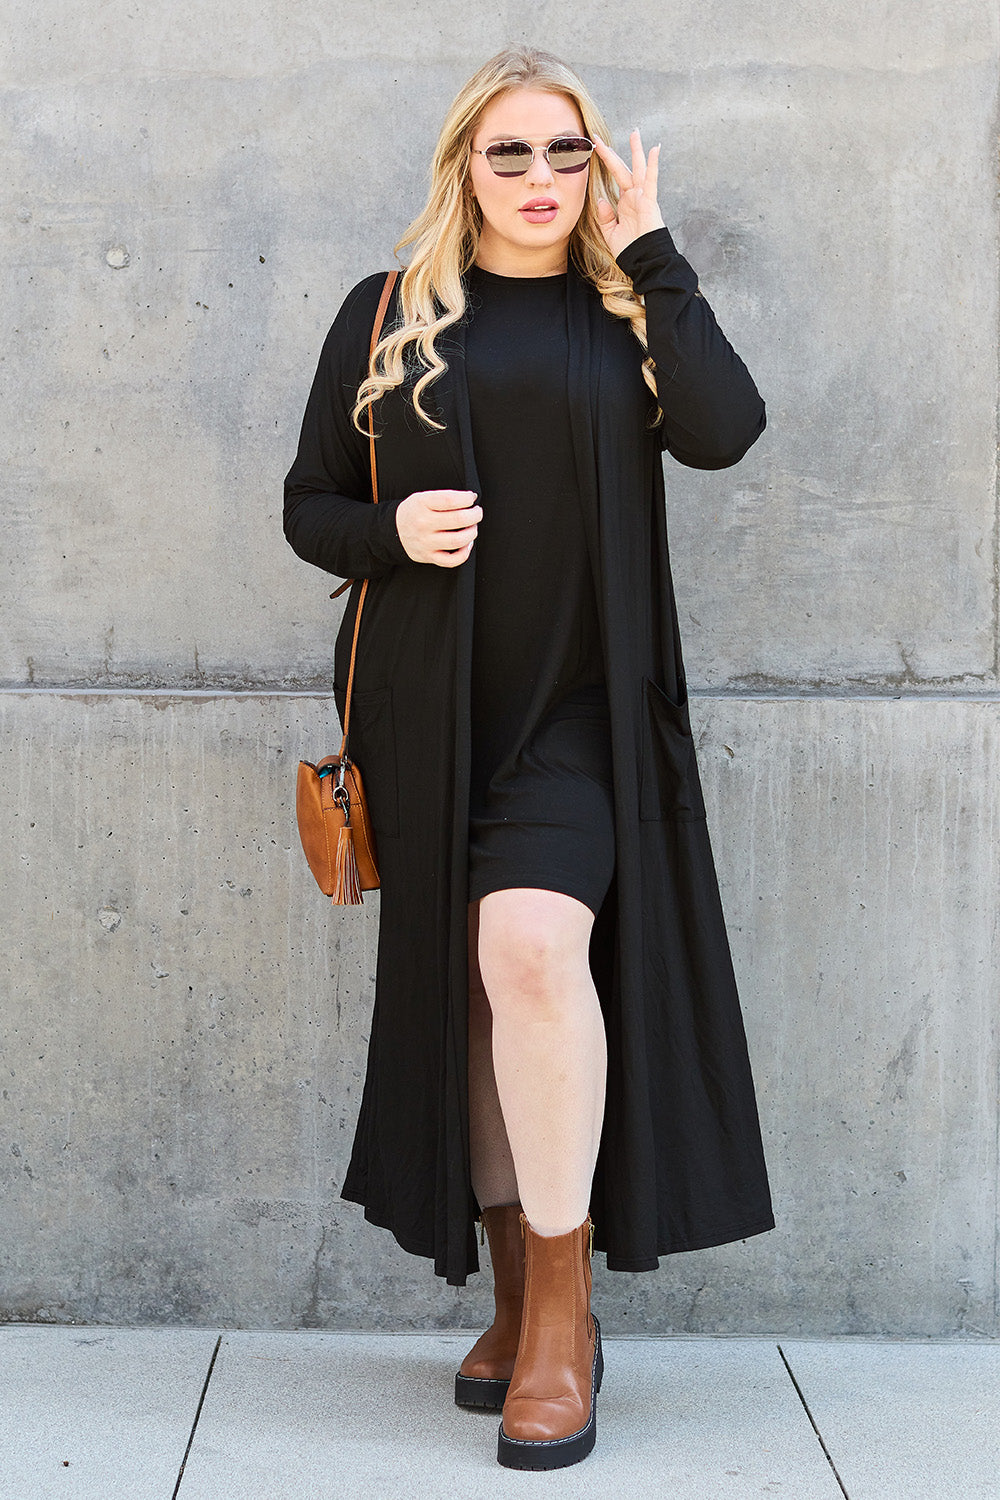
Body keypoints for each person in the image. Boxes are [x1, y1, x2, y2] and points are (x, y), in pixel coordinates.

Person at [283, 46, 773, 1471]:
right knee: (483, 1007)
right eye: (513, 155)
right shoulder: (386, 317)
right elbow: (310, 505)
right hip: (432, 718)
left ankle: (562, 1321)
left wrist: (658, 251)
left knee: (538, 956)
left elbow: (728, 433)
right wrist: (392, 535)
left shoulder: (629, 312)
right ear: (463, 170)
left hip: (581, 715)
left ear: (597, 168)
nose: (544, 181)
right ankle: (510, 1303)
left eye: (569, 153)